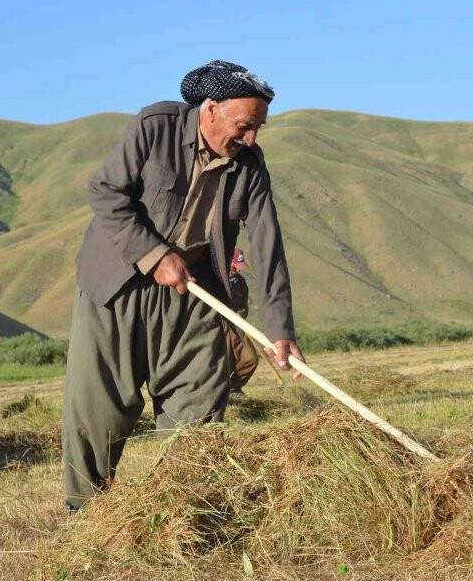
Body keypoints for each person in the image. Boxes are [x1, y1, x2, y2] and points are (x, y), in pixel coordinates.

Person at [61, 60, 304, 511]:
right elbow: (107, 193)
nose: (251, 139)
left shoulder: (250, 163)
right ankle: (87, 519)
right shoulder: (156, 126)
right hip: (118, 284)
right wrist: (155, 256)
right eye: (245, 126)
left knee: (201, 400)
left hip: (194, 290)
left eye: (258, 129)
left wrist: (279, 330)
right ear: (210, 109)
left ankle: (184, 513)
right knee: (100, 408)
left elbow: (268, 245)